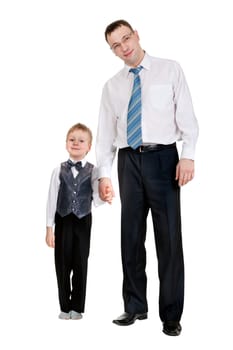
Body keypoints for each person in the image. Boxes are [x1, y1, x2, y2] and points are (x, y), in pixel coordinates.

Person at [96, 19, 198, 335]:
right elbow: (104, 136)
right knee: (131, 237)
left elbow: (188, 119)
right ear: (112, 51)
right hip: (128, 162)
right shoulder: (112, 86)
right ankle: (134, 306)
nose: (124, 46)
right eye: (116, 45)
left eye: (126, 38)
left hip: (164, 159)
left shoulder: (170, 70)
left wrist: (188, 155)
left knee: (168, 238)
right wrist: (103, 175)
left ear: (137, 35)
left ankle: (171, 314)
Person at [46, 122, 111, 320]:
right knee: (62, 264)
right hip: (63, 220)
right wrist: (49, 228)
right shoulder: (58, 170)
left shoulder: (94, 171)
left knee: (81, 263)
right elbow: (51, 200)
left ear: (88, 146)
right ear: (66, 143)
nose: (76, 143)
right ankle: (65, 307)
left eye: (81, 140)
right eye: (72, 140)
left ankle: (77, 307)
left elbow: (96, 196)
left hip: (83, 220)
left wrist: (105, 195)